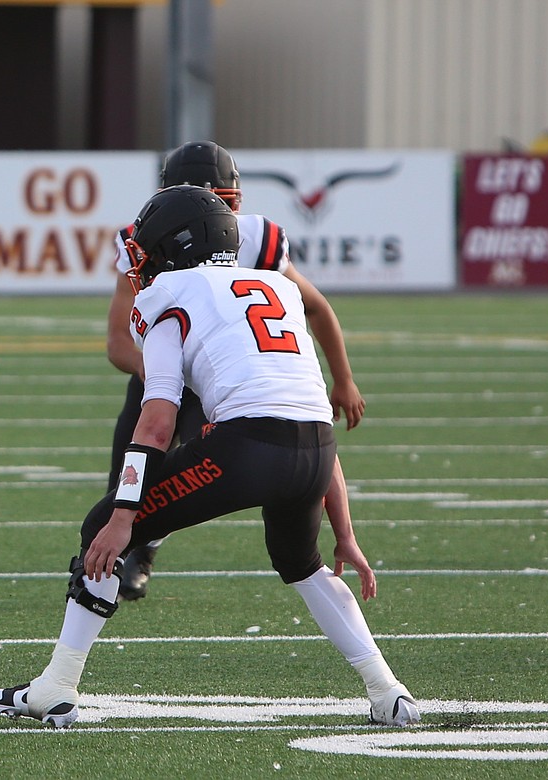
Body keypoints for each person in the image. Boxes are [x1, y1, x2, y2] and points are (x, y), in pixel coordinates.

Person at [0, 185, 418, 728]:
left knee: (101, 529)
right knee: (303, 563)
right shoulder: (276, 286)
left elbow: (158, 420)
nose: (141, 261)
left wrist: (123, 519)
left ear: (173, 246)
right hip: (315, 452)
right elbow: (307, 412)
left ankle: (57, 687)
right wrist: (345, 532)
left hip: (249, 449)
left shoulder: (173, 297)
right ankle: (388, 691)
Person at [106, 141, 366, 601]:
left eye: (228, 202)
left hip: (240, 382)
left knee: (169, 480)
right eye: (214, 201)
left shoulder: (260, 239)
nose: (222, 213)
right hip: (167, 369)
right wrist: (168, 377)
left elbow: (317, 308)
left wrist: (342, 378)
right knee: (127, 478)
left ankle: (139, 544)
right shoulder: (151, 237)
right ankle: (126, 552)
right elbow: (118, 342)